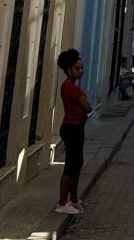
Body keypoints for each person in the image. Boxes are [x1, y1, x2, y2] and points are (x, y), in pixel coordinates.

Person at [55, 48, 92, 215]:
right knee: (71, 166)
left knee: (76, 163)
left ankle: (74, 199)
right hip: (73, 128)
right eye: (77, 68)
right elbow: (87, 107)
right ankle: (62, 203)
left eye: (82, 68)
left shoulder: (67, 86)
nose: (81, 71)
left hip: (74, 127)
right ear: (68, 70)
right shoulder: (72, 88)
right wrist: (84, 108)